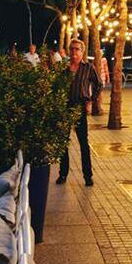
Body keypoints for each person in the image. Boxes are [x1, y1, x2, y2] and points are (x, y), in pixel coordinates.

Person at [57, 39, 101, 186]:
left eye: (77, 49)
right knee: (63, 143)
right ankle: (63, 174)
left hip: (80, 108)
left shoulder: (88, 67)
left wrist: (91, 100)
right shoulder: (64, 69)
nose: (74, 52)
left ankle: (87, 176)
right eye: (72, 49)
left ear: (82, 52)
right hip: (65, 108)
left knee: (83, 143)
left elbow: (99, 84)